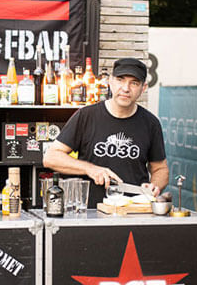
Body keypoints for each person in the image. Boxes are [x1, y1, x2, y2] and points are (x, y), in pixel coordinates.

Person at [42, 57, 168, 205]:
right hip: (91, 212)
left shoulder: (151, 123)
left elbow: (161, 169)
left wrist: (154, 187)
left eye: (134, 83)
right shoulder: (86, 116)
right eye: (120, 80)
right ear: (110, 81)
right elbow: (50, 157)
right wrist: (90, 169)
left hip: (134, 212)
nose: (126, 88)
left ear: (143, 88)